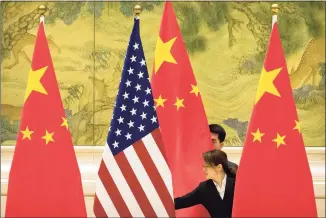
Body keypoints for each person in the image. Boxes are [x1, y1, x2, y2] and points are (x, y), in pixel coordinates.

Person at [174, 149, 236, 218]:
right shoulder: (204, 188)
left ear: (219, 167)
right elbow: (182, 201)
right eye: (203, 167)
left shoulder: (236, 184)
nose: (204, 169)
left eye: (207, 167)